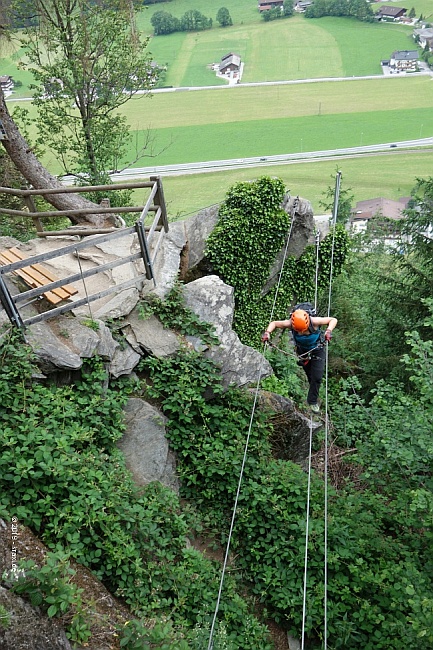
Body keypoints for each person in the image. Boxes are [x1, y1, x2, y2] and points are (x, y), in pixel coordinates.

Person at [261, 308, 338, 413]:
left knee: (317, 377)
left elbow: (333, 320)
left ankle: (312, 401)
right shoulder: (290, 324)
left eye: (304, 330)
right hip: (302, 351)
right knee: (310, 376)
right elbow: (274, 323)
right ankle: (313, 390)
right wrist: (267, 333)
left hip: (317, 349)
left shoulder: (314, 321)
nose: (302, 332)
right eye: (299, 331)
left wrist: (328, 331)